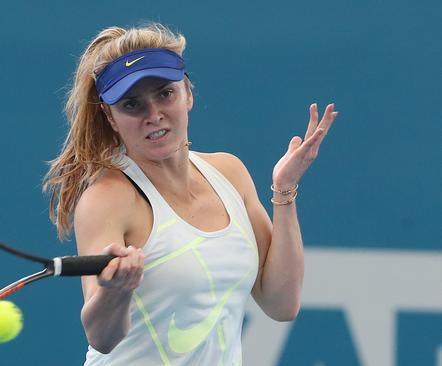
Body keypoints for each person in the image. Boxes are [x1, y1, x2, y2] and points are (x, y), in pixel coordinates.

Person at [43, 23, 338, 366]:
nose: (153, 115)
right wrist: (116, 290)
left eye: (165, 94)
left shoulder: (229, 173)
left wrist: (284, 191)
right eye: (132, 104)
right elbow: (102, 338)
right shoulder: (107, 198)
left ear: (188, 93)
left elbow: (281, 303)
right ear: (110, 117)